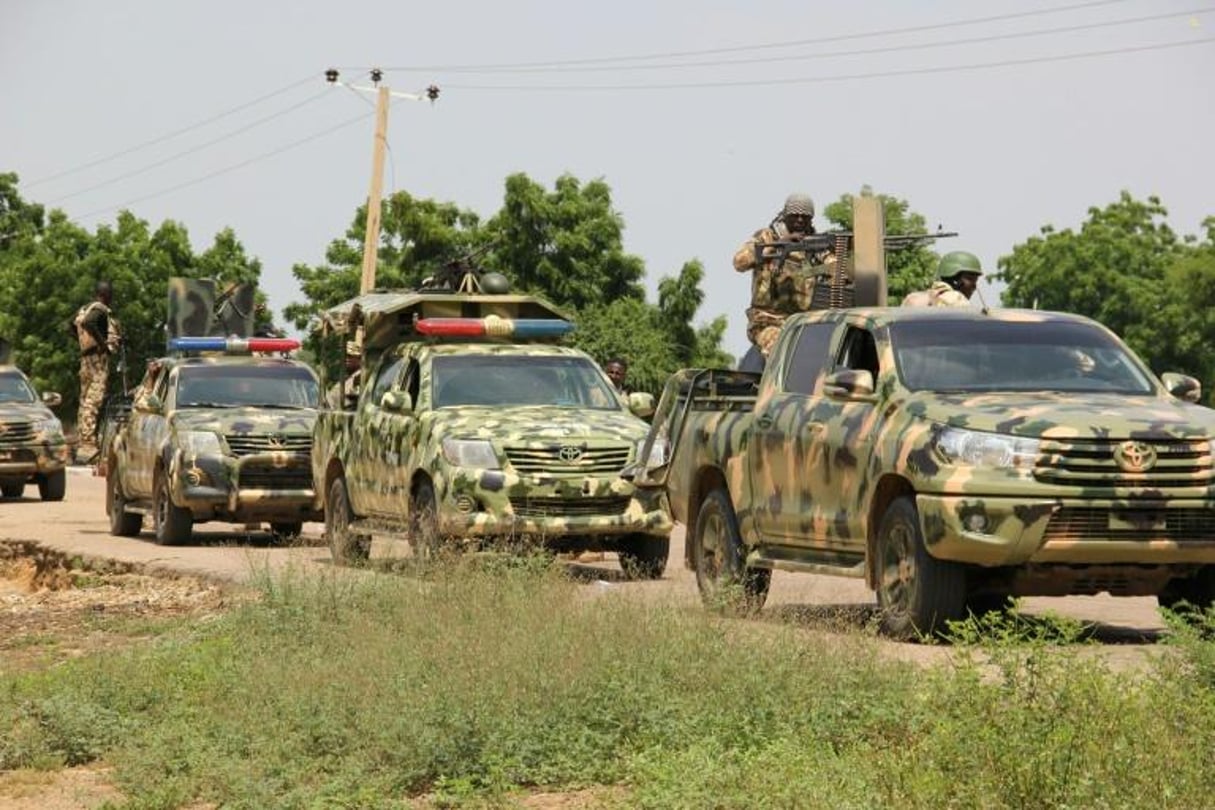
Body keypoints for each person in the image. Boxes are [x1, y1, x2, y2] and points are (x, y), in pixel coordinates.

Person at [732, 192, 834, 357]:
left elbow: (839, 270)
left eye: (805, 217)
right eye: (795, 215)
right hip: (766, 321)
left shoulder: (817, 245)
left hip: (802, 324)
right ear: (785, 215)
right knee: (778, 349)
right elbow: (739, 262)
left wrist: (829, 262)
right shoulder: (766, 237)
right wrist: (779, 245)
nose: (800, 220)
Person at [71, 280, 121, 463]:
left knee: (84, 401)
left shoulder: (84, 308)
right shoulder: (99, 310)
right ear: (107, 295)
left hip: (85, 360)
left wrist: (83, 344)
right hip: (97, 361)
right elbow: (90, 323)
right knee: (93, 400)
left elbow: (71, 326)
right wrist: (103, 345)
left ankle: (82, 442)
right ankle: (88, 445)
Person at [902, 251, 983, 308]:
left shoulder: (913, 299)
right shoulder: (957, 300)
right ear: (956, 280)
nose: (974, 287)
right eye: (971, 280)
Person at [326, 340, 362, 409]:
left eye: (349, 356)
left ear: (359, 358)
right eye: (344, 356)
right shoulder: (347, 378)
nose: (346, 359)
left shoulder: (359, 377)